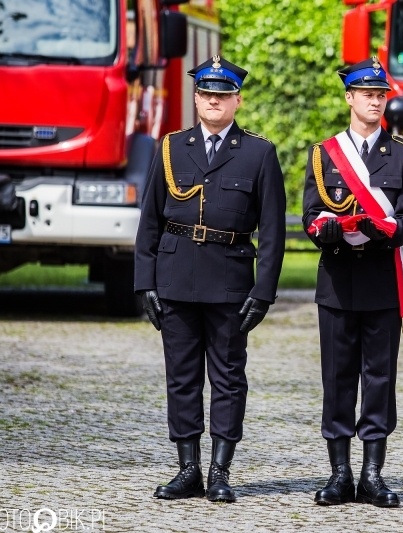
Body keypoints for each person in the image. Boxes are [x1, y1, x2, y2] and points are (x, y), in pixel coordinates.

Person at [134, 55, 286, 503]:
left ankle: (220, 471)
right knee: (181, 377)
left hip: (230, 280)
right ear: (196, 98)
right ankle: (188, 469)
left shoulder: (259, 152)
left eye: (222, 95)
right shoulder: (170, 147)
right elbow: (149, 223)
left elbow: (274, 230)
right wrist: (145, 283)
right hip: (175, 275)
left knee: (228, 378)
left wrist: (264, 292)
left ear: (237, 100)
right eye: (206, 94)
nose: (213, 101)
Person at [301, 56, 403, 508]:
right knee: (336, 379)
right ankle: (339, 474)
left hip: (381, 280)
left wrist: (380, 229)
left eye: (381, 95)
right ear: (349, 98)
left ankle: (373, 474)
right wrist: (325, 230)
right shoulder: (322, 153)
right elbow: (309, 216)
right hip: (336, 279)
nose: (375, 101)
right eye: (367, 94)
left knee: (379, 379)